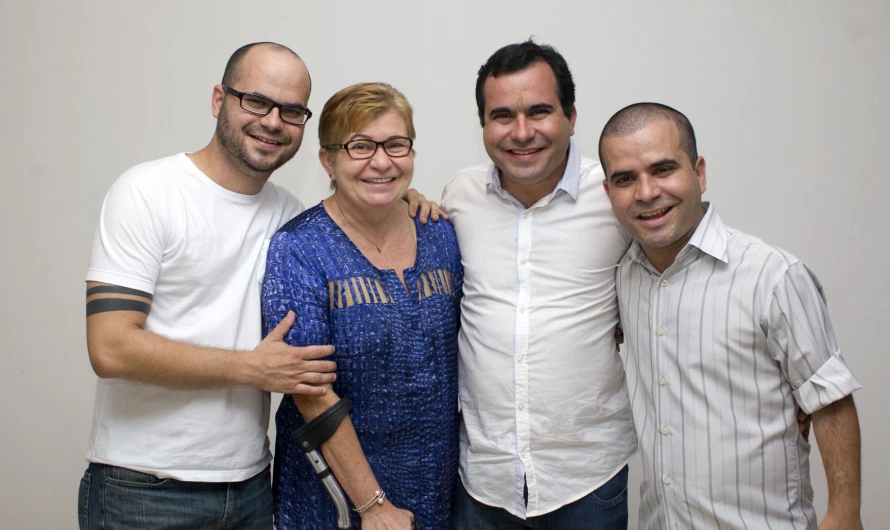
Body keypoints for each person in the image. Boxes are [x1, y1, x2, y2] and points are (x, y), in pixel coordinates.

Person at [80, 44, 434, 530]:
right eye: (256, 101)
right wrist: (251, 368)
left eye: (291, 111)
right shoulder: (148, 192)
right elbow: (110, 348)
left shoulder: (289, 217)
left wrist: (399, 196)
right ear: (218, 99)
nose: (272, 121)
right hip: (144, 485)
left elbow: (354, 208)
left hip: (250, 486)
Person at [598, 102, 863, 530]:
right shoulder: (620, 277)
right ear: (608, 192)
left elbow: (830, 398)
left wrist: (844, 515)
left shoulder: (773, 276)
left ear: (699, 173)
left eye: (663, 169)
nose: (646, 192)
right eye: (625, 179)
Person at [441, 40, 637, 529]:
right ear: (483, 125)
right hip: (483, 479)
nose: (522, 132)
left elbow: (675, 283)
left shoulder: (615, 196)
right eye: (502, 115)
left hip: (587, 477)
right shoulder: (459, 196)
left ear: (571, 117)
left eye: (539, 111)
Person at [261, 82, 462, 530]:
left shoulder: (441, 235)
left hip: (438, 489)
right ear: (327, 160)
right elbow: (310, 390)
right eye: (360, 146)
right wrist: (373, 506)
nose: (382, 161)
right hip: (334, 503)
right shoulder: (299, 249)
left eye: (395, 144)